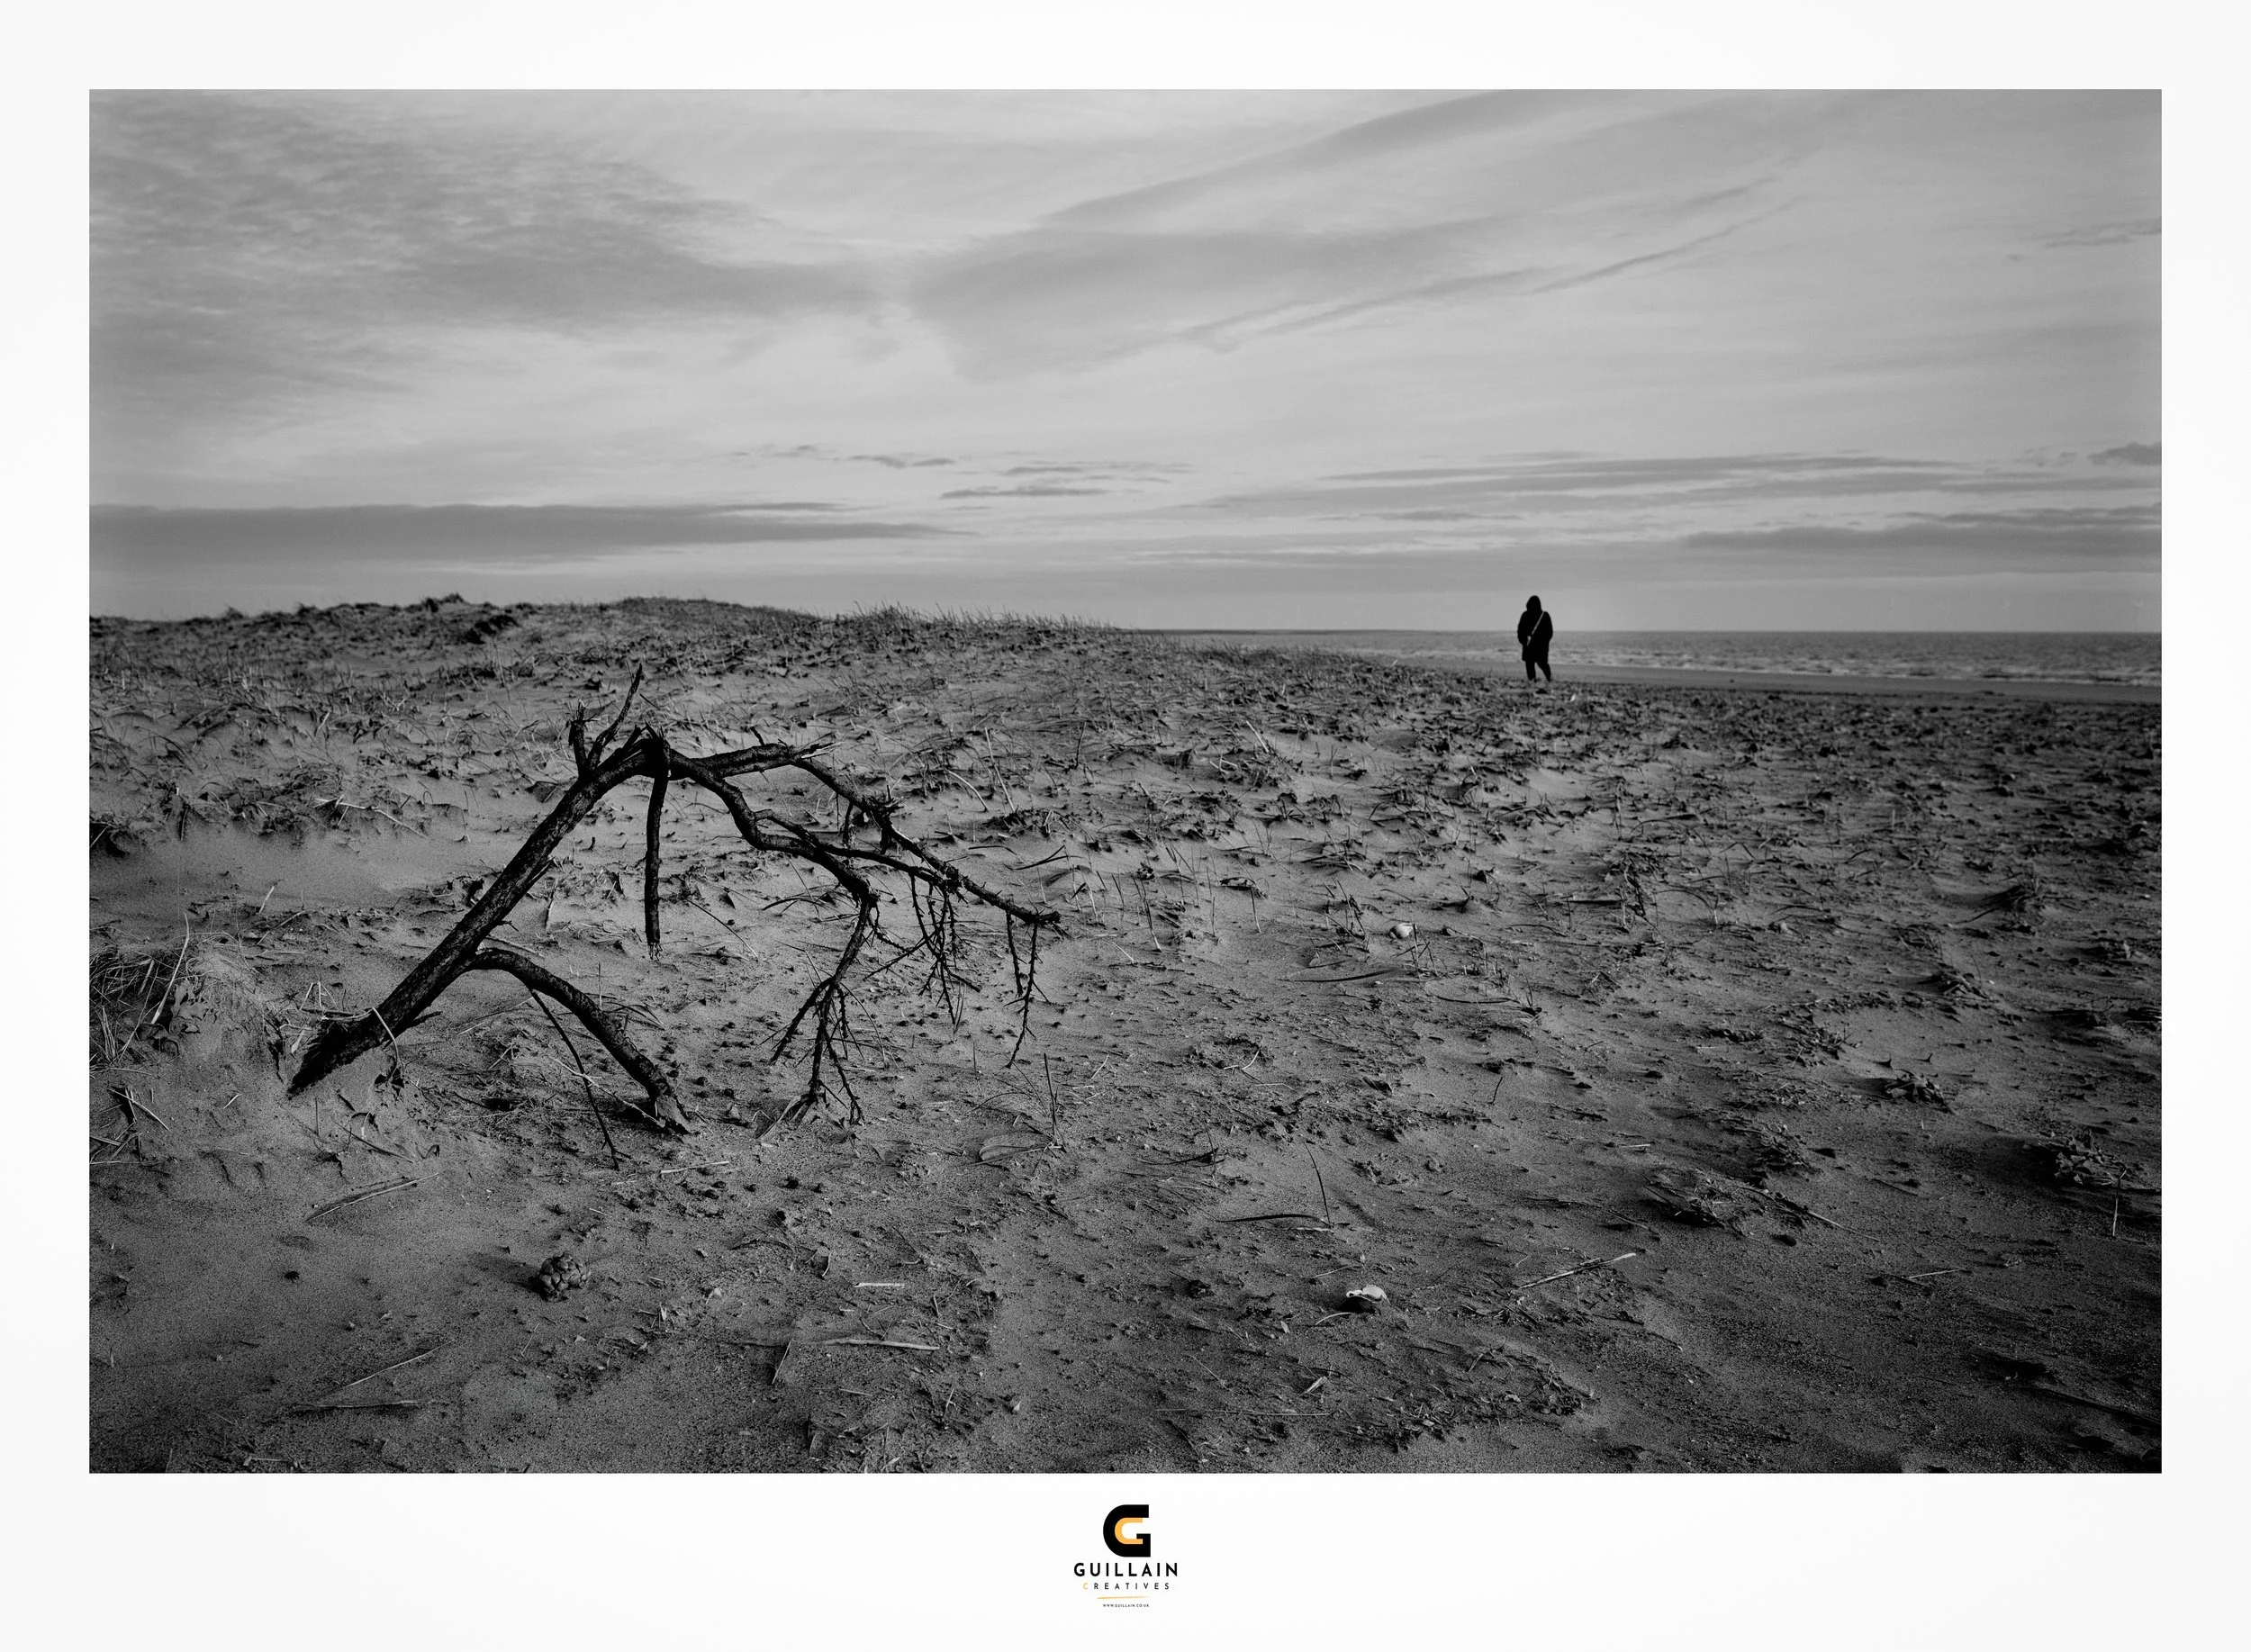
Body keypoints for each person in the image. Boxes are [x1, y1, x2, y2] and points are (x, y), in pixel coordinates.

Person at [1516, 594, 1554, 684]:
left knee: (1530, 665)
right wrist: (1544, 642)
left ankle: (1532, 681)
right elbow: (1549, 632)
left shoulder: (1525, 615)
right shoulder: (1544, 615)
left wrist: (1524, 641)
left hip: (1529, 646)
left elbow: (1520, 631)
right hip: (1541, 647)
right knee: (1543, 664)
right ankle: (1550, 679)